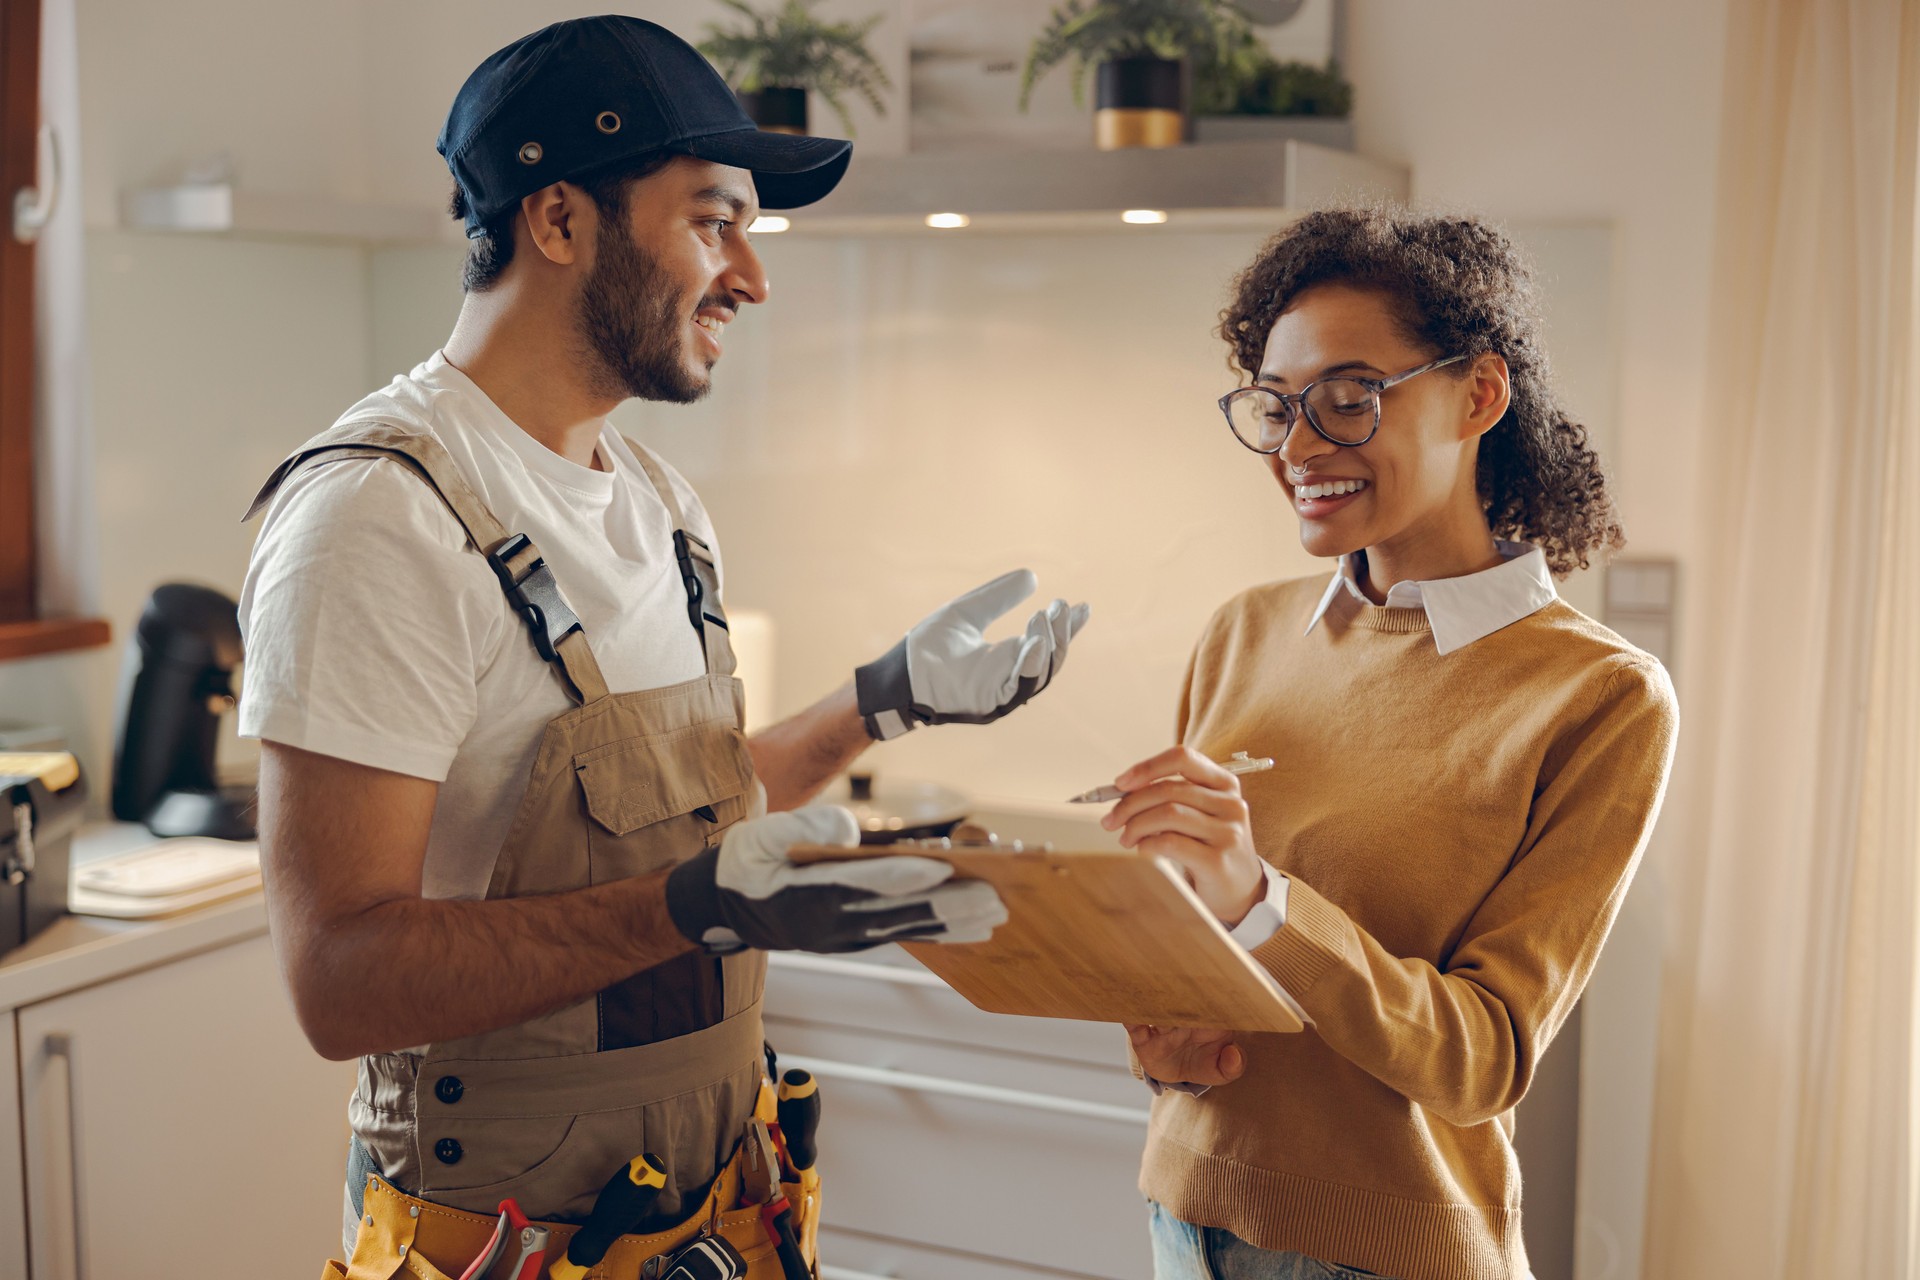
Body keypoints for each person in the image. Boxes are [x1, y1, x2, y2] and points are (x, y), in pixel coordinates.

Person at [236, 17, 1088, 1276]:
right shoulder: (378, 516)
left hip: (715, 1202)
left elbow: (682, 803)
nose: (750, 274)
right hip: (502, 1236)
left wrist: (880, 703)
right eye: (712, 219)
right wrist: (700, 906)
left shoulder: (652, 497)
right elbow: (341, 978)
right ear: (561, 219)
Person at [1103, 208, 1678, 1280]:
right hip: (1183, 1216)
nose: (1301, 447)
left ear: (1480, 394)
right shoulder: (1244, 632)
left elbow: (1485, 1055)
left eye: (1349, 399)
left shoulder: (1597, 695)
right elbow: (1202, 956)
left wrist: (1257, 898)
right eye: (1276, 408)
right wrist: (1162, 1030)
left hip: (1384, 1253)